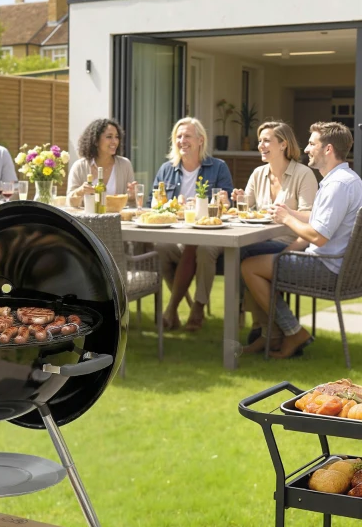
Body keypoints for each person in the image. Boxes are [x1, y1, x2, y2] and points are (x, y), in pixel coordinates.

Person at [242, 121, 362, 358]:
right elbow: (319, 224)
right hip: (341, 268)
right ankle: (272, 333)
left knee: (249, 266)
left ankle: (291, 331)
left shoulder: (336, 185)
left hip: (326, 268)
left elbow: (318, 237)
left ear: (327, 149)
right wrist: (289, 214)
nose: (306, 149)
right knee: (253, 254)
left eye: (311, 143)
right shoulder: (350, 179)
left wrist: (287, 218)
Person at [233, 121, 318, 347]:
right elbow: (245, 209)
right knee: (240, 253)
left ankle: (265, 329)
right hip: (259, 240)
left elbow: (312, 216)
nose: (261, 145)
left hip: (291, 242)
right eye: (260, 141)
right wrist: (234, 200)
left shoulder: (303, 174)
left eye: (266, 140)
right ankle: (271, 330)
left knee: (242, 255)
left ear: (283, 144)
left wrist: (288, 212)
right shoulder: (258, 173)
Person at [152, 118, 234, 331]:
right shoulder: (166, 169)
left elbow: (228, 206)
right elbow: (153, 204)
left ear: (200, 140)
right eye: (178, 137)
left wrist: (224, 201)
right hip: (175, 234)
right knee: (160, 247)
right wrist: (169, 204)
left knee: (197, 246)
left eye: (187, 136)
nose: (182, 140)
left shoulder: (218, 168)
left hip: (207, 236)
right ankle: (177, 306)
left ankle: (189, 309)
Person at [66, 118, 137, 205]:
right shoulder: (80, 167)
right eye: (109, 137)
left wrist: (132, 197)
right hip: (86, 218)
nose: (114, 141)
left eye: (117, 137)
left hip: (118, 218)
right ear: (96, 141)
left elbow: (131, 205)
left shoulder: (125, 165)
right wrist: (80, 191)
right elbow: (69, 203)